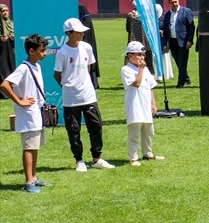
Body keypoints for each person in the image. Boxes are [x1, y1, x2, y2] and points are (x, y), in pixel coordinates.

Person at [57, 17, 111, 172]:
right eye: (78, 32)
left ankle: (96, 158)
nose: (82, 34)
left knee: (96, 126)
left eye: (82, 31)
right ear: (69, 33)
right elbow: (57, 74)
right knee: (73, 130)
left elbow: (87, 68)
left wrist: (83, 83)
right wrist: (68, 86)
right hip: (70, 99)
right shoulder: (63, 52)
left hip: (88, 96)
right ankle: (79, 160)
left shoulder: (87, 47)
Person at [1, 34, 51, 193]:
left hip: (36, 113)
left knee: (34, 147)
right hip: (28, 115)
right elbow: (5, 85)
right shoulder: (23, 67)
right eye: (42, 50)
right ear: (31, 51)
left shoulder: (37, 66)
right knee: (29, 148)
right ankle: (29, 182)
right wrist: (19, 101)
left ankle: (34, 177)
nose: (45, 53)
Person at [121, 41, 163, 166]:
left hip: (145, 104)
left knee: (148, 131)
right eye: (138, 54)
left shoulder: (145, 69)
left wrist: (153, 103)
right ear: (130, 55)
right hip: (135, 105)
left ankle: (148, 153)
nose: (141, 57)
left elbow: (150, 86)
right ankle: (132, 157)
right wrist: (140, 69)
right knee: (134, 133)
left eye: (143, 55)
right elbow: (136, 83)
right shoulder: (126, 69)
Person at [159, 0, 195, 87]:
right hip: (172, 42)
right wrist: (164, 43)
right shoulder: (167, 15)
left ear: (178, 2)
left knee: (182, 62)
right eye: (172, 2)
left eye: (176, 2)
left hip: (183, 41)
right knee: (178, 62)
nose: (174, 4)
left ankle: (181, 83)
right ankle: (186, 78)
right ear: (169, 3)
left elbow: (191, 27)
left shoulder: (186, 11)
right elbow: (165, 30)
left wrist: (189, 40)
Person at [124, 6, 155, 75]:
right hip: (144, 40)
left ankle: (132, 73)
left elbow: (127, 28)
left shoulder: (130, 15)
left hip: (132, 39)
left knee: (132, 56)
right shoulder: (145, 15)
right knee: (146, 56)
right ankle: (149, 73)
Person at [0, 2, 15, 89]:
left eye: (7, 10)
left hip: (11, 50)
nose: (5, 12)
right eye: (3, 11)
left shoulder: (11, 23)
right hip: (2, 52)